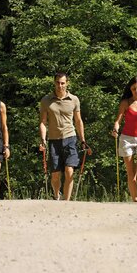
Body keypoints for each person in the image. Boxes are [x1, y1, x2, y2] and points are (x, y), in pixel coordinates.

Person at [39, 72, 86, 201]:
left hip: (70, 138)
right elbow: (43, 122)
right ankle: (56, 196)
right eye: (58, 83)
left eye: (63, 83)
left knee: (69, 171)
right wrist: (43, 140)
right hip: (54, 140)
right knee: (55, 175)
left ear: (67, 83)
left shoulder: (74, 99)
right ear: (54, 83)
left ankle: (67, 200)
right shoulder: (46, 100)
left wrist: (83, 140)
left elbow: (78, 121)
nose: (60, 86)